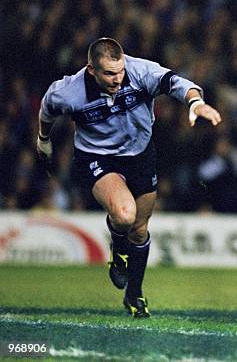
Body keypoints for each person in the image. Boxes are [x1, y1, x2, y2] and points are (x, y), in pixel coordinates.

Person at [36, 38, 221, 317]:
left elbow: (177, 83)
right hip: (97, 156)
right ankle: (118, 248)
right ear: (91, 70)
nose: (117, 79)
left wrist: (195, 102)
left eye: (120, 71)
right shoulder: (68, 91)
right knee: (124, 215)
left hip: (140, 154)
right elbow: (47, 110)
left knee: (139, 229)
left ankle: (134, 294)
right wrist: (43, 139)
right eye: (109, 74)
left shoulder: (139, 72)